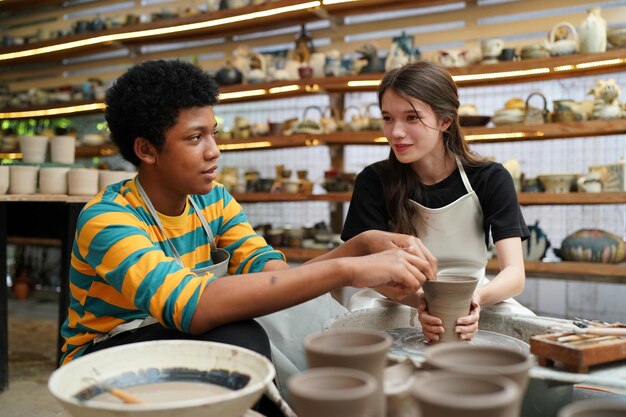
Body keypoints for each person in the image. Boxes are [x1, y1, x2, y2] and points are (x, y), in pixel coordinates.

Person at [59, 59, 436, 414]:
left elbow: (273, 278)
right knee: (240, 338)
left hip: (176, 336)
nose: (215, 151)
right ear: (146, 150)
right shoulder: (108, 218)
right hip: (105, 358)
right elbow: (191, 307)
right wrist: (350, 270)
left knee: (279, 322)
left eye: (213, 133)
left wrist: (361, 245)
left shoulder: (214, 202)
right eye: (195, 138)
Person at [341, 61, 535, 343]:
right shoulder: (373, 181)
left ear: (445, 121)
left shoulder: (490, 178)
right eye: (387, 118)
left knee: (529, 340)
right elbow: (366, 269)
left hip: (473, 296)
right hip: (396, 296)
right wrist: (422, 301)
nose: (395, 132)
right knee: (352, 338)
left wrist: (473, 299)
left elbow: (515, 274)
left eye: (411, 118)